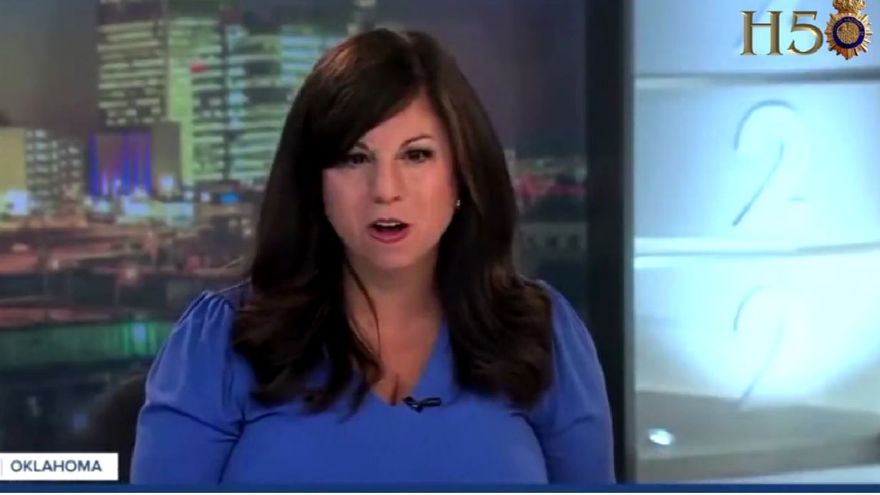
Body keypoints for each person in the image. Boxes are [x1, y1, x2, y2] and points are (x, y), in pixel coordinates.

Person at [131, 28, 614, 485]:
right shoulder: (222, 341)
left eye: (416, 155)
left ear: (462, 174)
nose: (385, 190)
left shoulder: (540, 333)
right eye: (355, 158)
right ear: (314, 182)